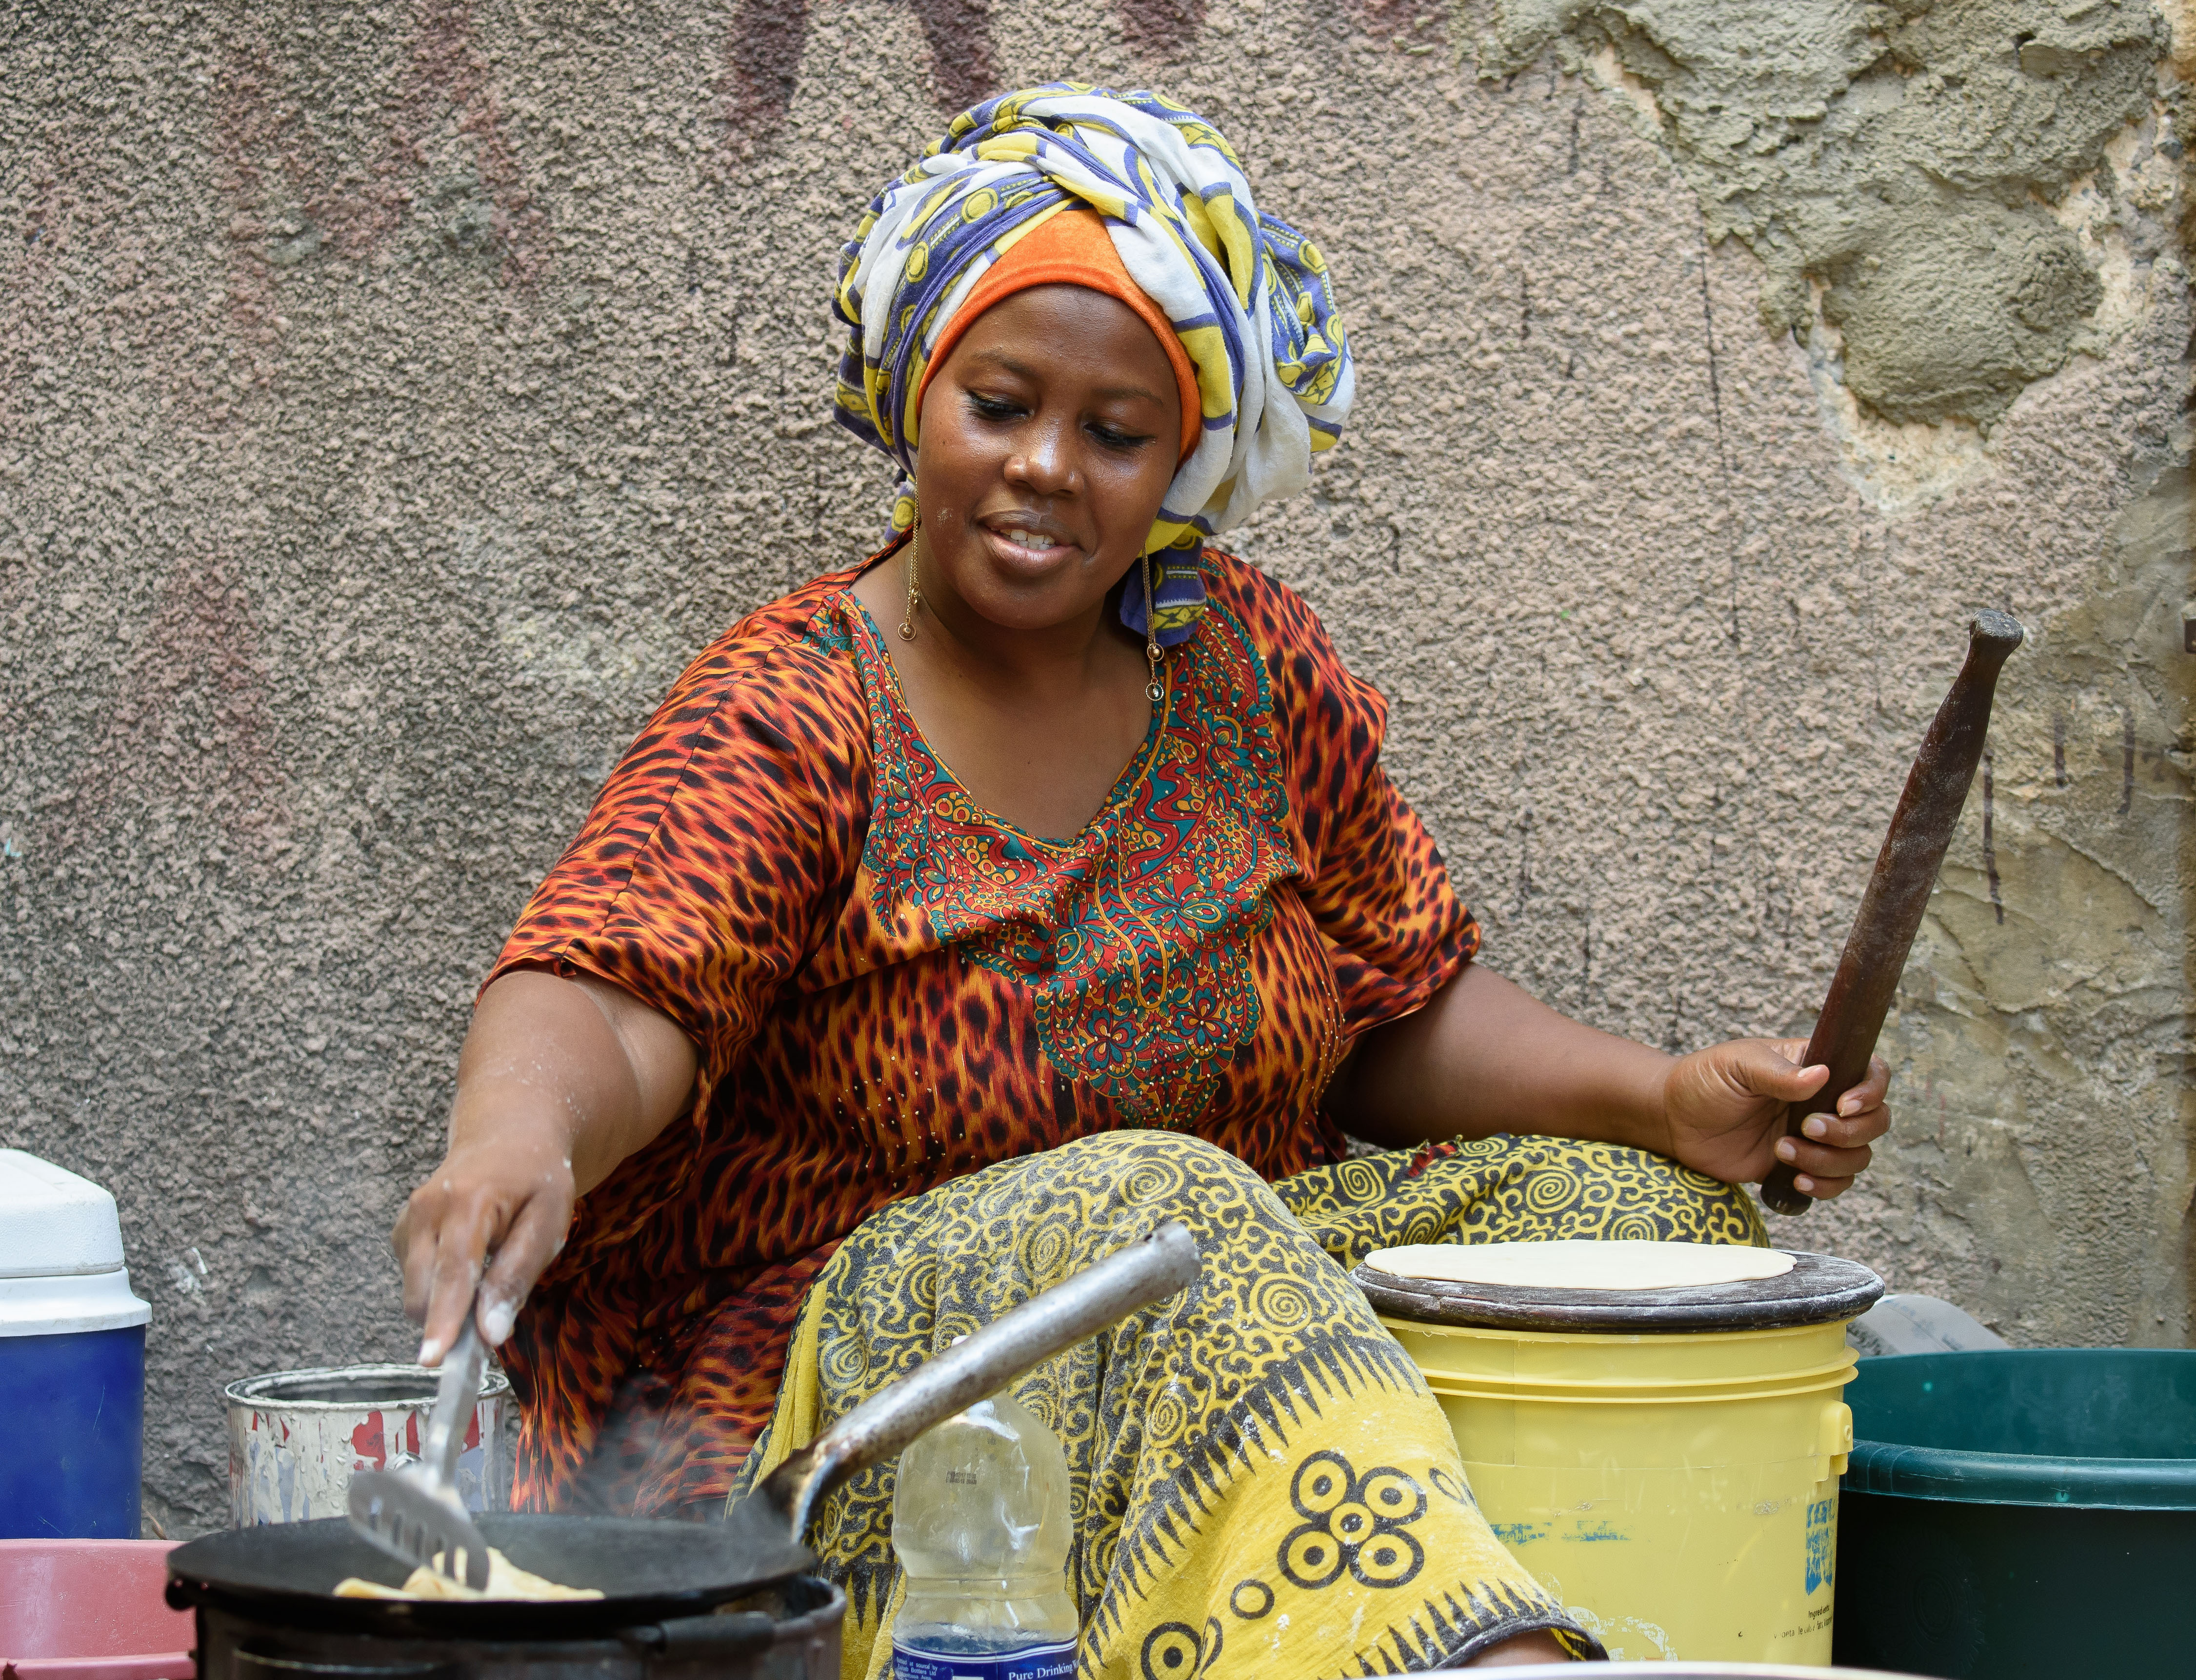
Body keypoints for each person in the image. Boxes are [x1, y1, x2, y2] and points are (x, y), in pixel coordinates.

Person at [392, 85, 1891, 1674]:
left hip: (1213, 1301)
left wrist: (1664, 1100)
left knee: (1632, 1222)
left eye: (1114, 435)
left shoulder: (1247, 663)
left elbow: (1394, 1007)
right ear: (917, 397)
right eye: (999, 404)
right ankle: (1470, 1661)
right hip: (857, 1416)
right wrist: (514, 1135)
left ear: (1182, 455)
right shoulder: (797, 703)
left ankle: (1640, 1625)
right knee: (1156, 1211)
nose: (1046, 467)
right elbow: (617, 991)